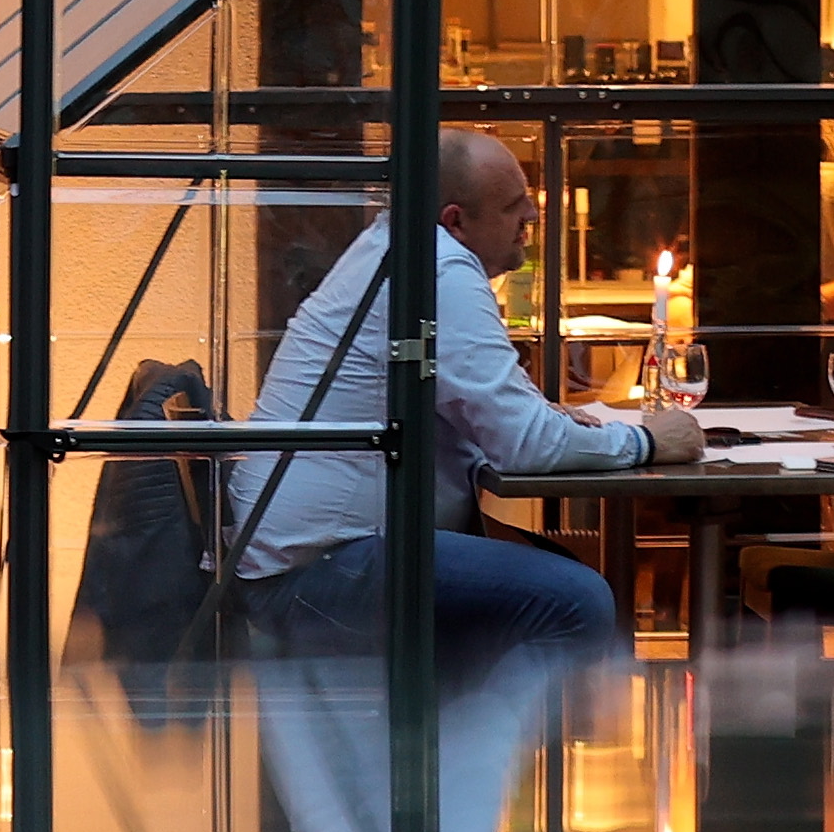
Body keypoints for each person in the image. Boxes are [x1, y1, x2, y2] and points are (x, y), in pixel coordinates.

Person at [227, 130, 695, 657]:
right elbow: (526, 445)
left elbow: (499, 415)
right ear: (455, 220)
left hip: (301, 555)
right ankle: (484, 739)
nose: (533, 219)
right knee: (576, 599)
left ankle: (468, 735)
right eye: (513, 207)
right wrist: (647, 443)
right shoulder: (440, 268)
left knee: (556, 576)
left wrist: (546, 418)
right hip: (320, 568)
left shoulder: (400, 247)